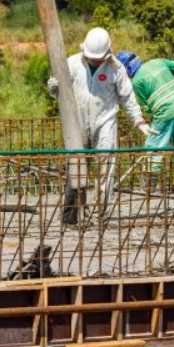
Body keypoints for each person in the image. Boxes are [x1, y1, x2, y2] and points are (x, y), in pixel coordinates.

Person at [48, 27, 156, 222]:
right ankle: (72, 215)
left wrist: (139, 121)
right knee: (76, 167)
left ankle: (99, 216)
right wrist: (54, 87)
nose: (94, 60)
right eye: (91, 57)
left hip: (105, 121)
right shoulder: (71, 64)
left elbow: (127, 97)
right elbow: (58, 91)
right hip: (77, 121)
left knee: (106, 168)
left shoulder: (116, 69)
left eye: (98, 58)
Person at [115, 51, 174, 175]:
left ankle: (149, 188)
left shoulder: (137, 82)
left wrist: (154, 125)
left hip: (163, 115)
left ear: (126, 69)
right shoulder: (158, 62)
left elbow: (147, 109)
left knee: (153, 151)